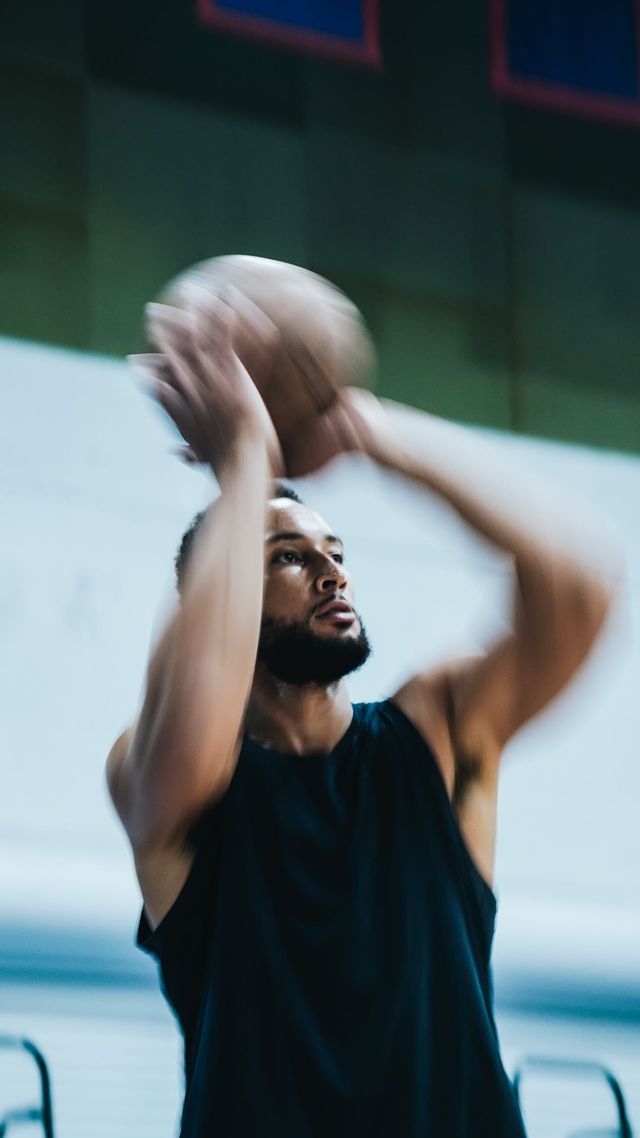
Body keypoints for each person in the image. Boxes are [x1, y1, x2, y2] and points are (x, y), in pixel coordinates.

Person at [107, 291, 620, 1138]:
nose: (332, 572)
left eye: (337, 553)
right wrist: (244, 460)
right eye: (289, 557)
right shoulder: (158, 770)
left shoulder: (439, 728)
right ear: (227, 592)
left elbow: (582, 586)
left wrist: (365, 431)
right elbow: (198, 720)